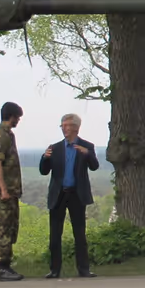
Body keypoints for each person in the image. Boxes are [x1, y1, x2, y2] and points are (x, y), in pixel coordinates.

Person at [40, 113, 100, 278]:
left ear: (75, 127)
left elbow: (94, 166)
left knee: (79, 234)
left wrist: (87, 153)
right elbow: (44, 171)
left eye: (67, 125)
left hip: (76, 195)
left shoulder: (87, 146)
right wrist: (44, 158)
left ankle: (83, 269)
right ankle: (54, 270)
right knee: (55, 235)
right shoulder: (55, 147)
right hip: (58, 195)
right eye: (62, 126)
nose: (64, 129)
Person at [0, 102, 24, 282]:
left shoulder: (8, 134)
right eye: (17, 117)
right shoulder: (1, 136)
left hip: (10, 191)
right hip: (4, 192)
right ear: (11, 116)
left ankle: (6, 265)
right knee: (3, 227)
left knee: (10, 226)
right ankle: (0, 267)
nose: (18, 120)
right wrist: (3, 189)